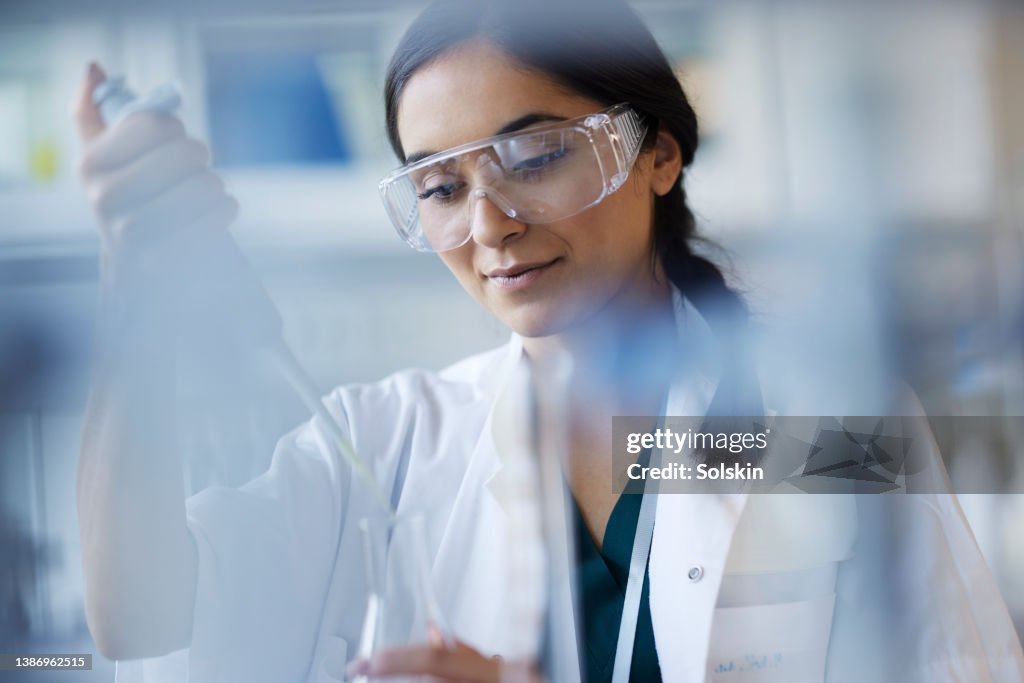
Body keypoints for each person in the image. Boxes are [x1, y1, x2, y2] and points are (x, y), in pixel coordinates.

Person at [74, 1, 1024, 681]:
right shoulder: (391, 447)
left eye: (535, 157)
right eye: (441, 188)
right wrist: (133, 282)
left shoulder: (827, 425)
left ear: (657, 152)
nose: (489, 224)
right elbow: (138, 615)